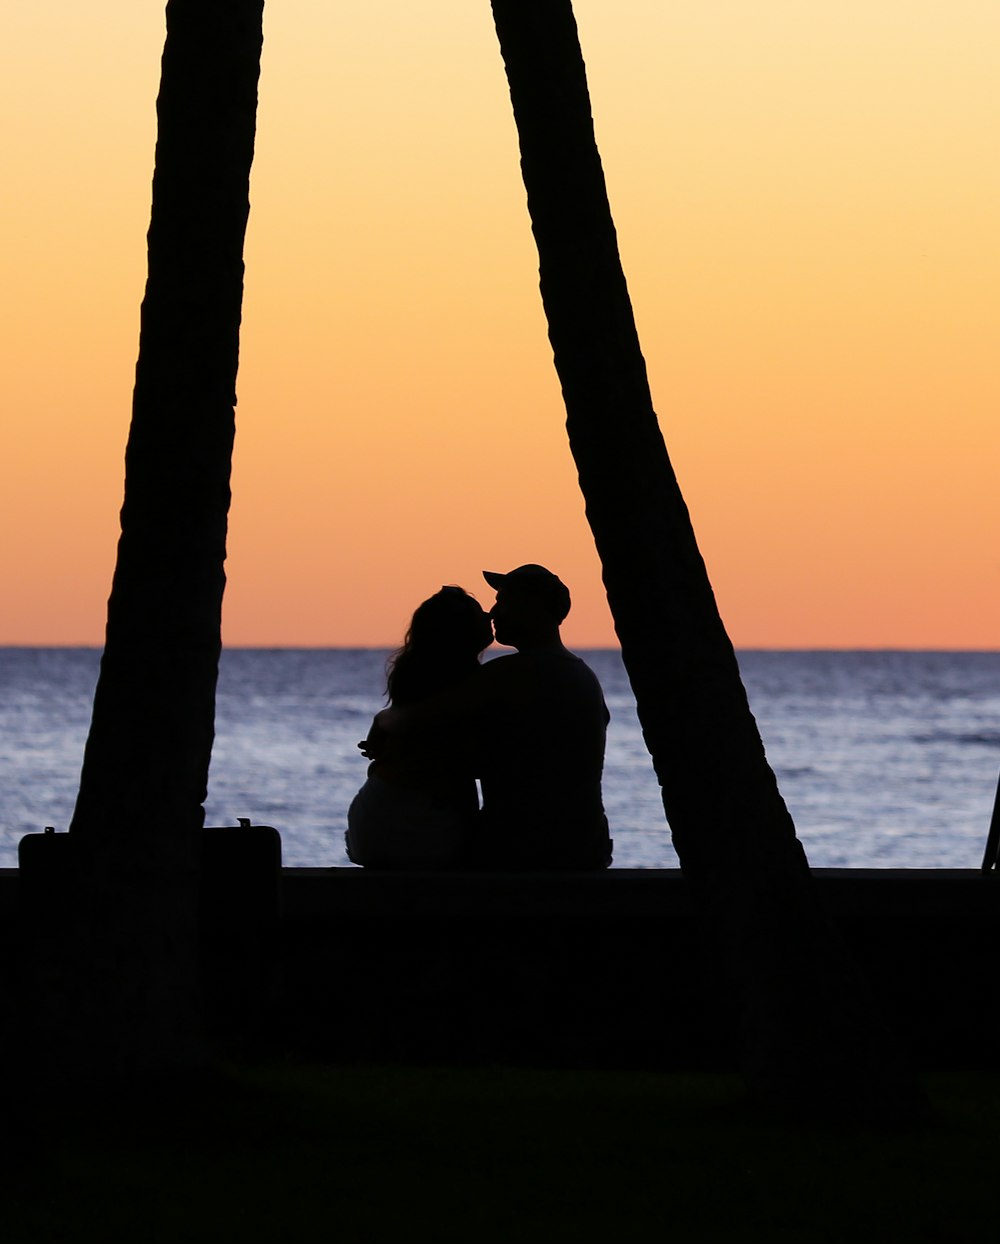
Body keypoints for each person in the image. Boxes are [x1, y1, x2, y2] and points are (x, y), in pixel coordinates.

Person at [367, 564, 612, 870]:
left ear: (532, 608)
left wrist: (381, 722)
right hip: (586, 845)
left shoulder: (510, 674)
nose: (494, 612)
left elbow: (413, 718)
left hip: (523, 848)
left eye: (504, 601)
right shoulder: (583, 675)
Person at [346, 586, 493, 869]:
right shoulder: (473, 686)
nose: (490, 615)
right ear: (461, 631)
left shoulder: (414, 679)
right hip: (421, 827)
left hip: (370, 822)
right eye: (479, 614)